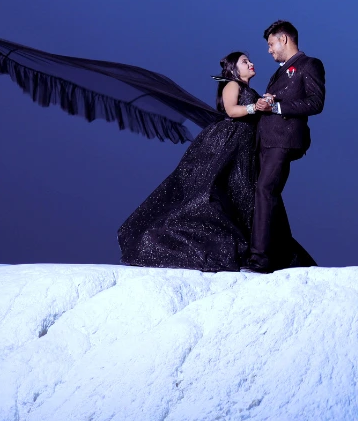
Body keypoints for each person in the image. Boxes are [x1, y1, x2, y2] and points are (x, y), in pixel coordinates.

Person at [117, 51, 314, 272]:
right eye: (245, 61)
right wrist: (255, 107)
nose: (251, 63)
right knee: (212, 191)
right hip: (229, 143)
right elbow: (231, 110)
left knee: (244, 195)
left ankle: (256, 249)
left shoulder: (249, 90)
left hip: (246, 147)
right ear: (233, 69)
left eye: (249, 60)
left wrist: (265, 103)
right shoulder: (232, 84)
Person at [244, 20, 324, 273]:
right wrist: (267, 102)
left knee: (265, 190)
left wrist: (277, 106)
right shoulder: (279, 71)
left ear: (284, 39)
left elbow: (316, 102)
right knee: (268, 195)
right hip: (266, 139)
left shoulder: (309, 64)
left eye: (271, 44)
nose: (269, 50)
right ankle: (286, 257)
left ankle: (260, 259)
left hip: (284, 139)